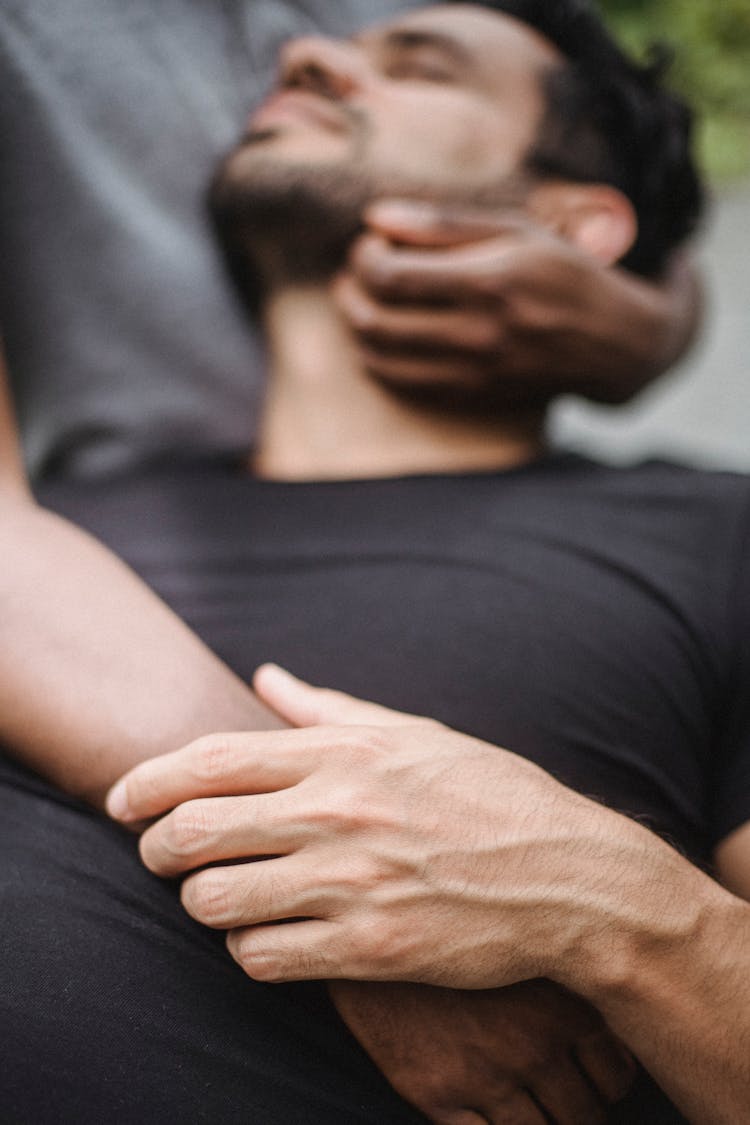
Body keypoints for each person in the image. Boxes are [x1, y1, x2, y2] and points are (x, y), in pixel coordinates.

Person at [0, 1, 741, 1122]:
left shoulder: (714, 535)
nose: (306, 54)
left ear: (573, 222)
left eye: (423, 66)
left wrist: (626, 912)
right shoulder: (48, 531)